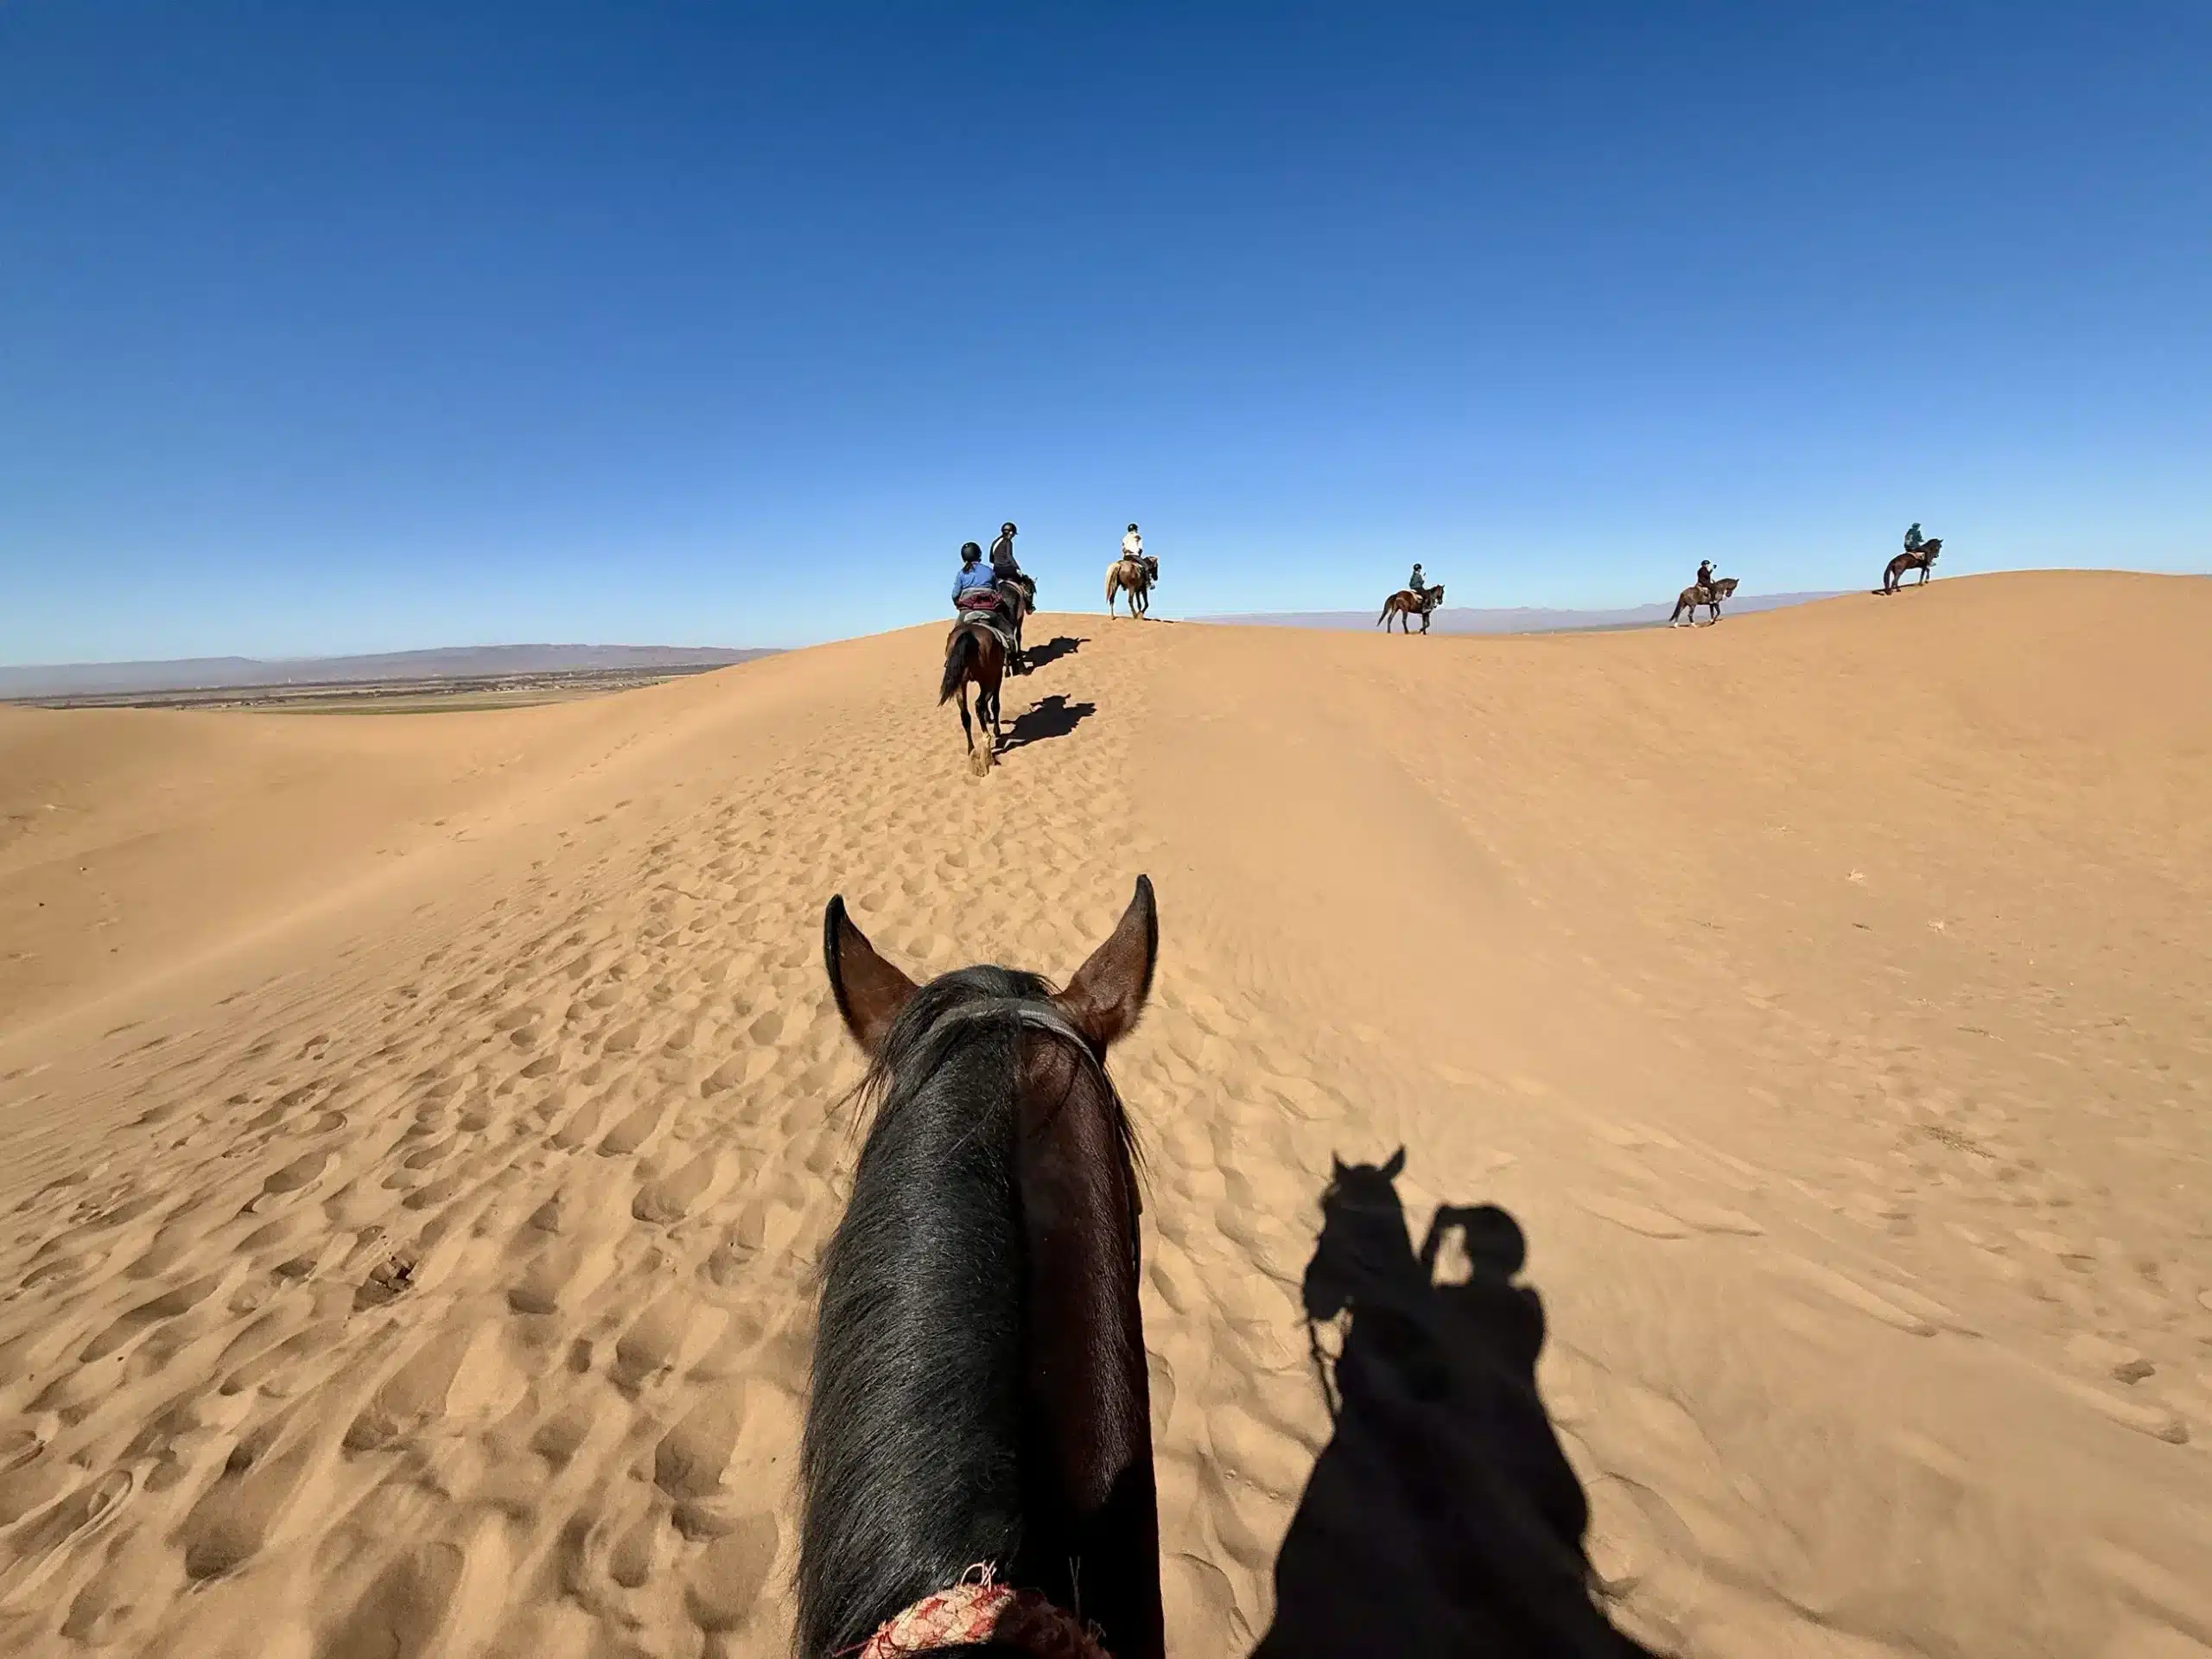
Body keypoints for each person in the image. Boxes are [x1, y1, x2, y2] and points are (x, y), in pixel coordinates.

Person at [952, 541, 998, 607]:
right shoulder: (989, 571)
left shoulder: (961, 573)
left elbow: (955, 595)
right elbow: (997, 589)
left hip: (967, 608)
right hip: (989, 607)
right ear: (978, 554)